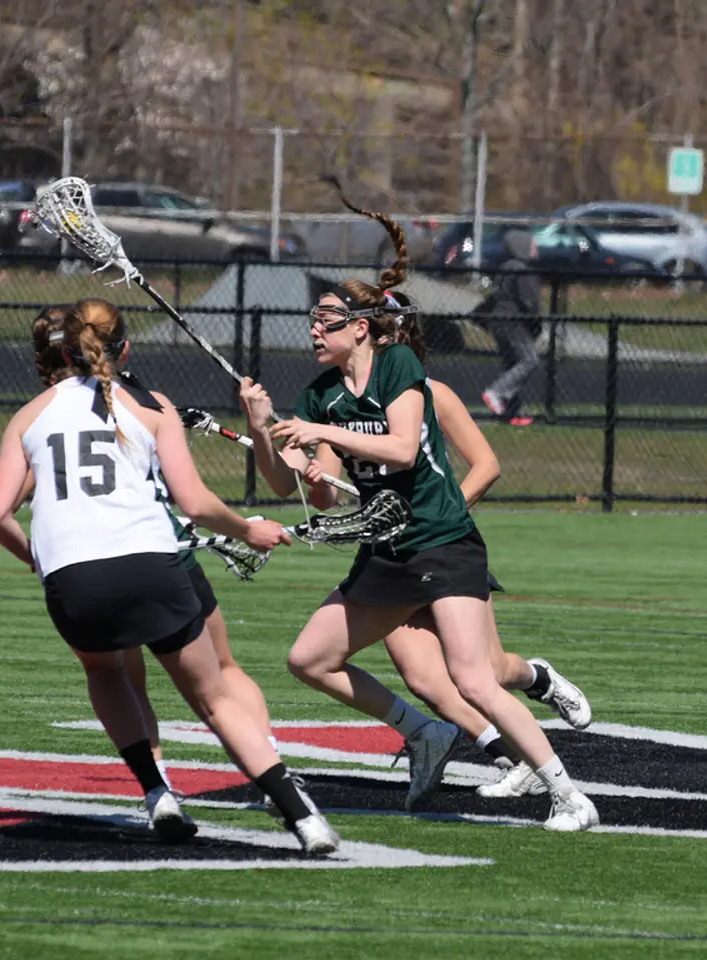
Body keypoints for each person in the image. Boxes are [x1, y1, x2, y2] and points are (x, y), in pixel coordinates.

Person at [239, 194, 599, 831]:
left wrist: (325, 434)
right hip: (385, 553)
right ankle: (421, 730)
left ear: (362, 327)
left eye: (326, 319)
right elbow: (296, 488)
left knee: (476, 677)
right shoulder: (317, 394)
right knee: (308, 660)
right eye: (313, 320)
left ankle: (570, 796)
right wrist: (270, 433)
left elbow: (403, 448)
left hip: (442, 541)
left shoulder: (399, 365)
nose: (314, 329)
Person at [0, 297, 338, 855]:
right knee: (214, 696)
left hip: (73, 579)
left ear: (65, 352)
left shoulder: (27, 415)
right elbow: (193, 503)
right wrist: (248, 529)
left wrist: (38, 558)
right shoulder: (152, 406)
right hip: (152, 561)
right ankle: (303, 819)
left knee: (106, 673)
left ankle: (157, 793)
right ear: (124, 348)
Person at [376, 292, 591, 800]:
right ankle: (513, 758)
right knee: (423, 677)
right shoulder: (348, 402)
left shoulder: (432, 393)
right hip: (390, 558)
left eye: (384, 335)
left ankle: (539, 678)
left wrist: (440, 515)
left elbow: (487, 466)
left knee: (487, 672)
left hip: (445, 547)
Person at [474, 227, 543, 426]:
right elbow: (530, 303)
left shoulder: (506, 267)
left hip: (500, 322)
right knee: (529, 360)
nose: (536, 248)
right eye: (532, 244)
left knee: (512, 365)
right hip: (514, 323)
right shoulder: (521, 270)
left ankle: (510, 412)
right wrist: (536, 322)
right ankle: (495, 393)